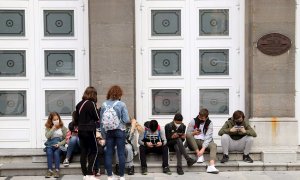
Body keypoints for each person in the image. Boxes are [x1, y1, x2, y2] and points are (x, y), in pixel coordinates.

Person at [100, 85, 130, 180]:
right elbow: (126, 120)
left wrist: (104, 135)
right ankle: (121, 176)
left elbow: (101, 122)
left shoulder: (104, 104)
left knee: (108, 153)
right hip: (120, 131)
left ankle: (109, 176)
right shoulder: (121, 104)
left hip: (109, 132)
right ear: (119, 94)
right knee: (121, 153)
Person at [75, 86, 100, 180]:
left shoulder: (79, 104)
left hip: (81, 130)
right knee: (94, 150)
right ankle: (90, 174)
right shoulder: (91, 103)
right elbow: (97, 117)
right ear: (93, 94)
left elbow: (76, 118)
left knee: (84, 151)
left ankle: (85, 174)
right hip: (89, 130)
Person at [186, 108, 219, 174]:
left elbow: (208, 137)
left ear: (206, 117)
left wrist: (203, 149)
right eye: (199, 117)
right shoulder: (193, 121)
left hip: (205, 142)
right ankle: (199, 155)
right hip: (194, 142)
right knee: (189, 135)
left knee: (214, 145)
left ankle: (211, 166)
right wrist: (194, 133)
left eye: (202, 118)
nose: (200, 119)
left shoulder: (210, 123)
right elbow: (187, 134)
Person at [44, 112, 68, 178]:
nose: (56, 121)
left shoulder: (62, 127)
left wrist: (59, 144)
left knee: (56, 153)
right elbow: (47, 136)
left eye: (57, 119)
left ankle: (57, 170)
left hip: (59, 145)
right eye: (54, 120)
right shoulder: (48, 127)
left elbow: (66, 139)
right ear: (51, 120)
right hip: (50, 144)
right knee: (49, 152)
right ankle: (50, 170)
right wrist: (52, 129)